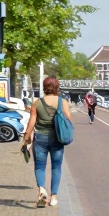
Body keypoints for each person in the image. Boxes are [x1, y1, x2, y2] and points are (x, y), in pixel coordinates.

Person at [21, 77, 72, 208]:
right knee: (56, 167)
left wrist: (27, 137)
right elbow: (68, 119)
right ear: (57, 87)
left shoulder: (37, 103)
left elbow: (32, 122)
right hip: (57, 138)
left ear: (44, 87)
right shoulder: (63, 102)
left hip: (40, 139)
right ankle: (54, 197)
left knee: (39, 166)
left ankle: (42, 191)